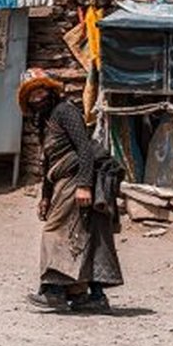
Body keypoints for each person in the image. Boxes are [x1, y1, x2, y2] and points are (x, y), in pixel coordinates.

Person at [18, 70, 123, 312]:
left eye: (41, 90)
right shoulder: (44, 121)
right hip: (62, 182)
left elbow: (84, 148)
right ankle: (87, 296)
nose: (37, 97)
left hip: (76, 179)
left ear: (51, 90)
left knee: (56, 232)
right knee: (85, 234)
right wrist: (45, 196)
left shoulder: (65, 111)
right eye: (32, 94)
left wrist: (84, 184)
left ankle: (53, 291)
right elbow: (48, 164)